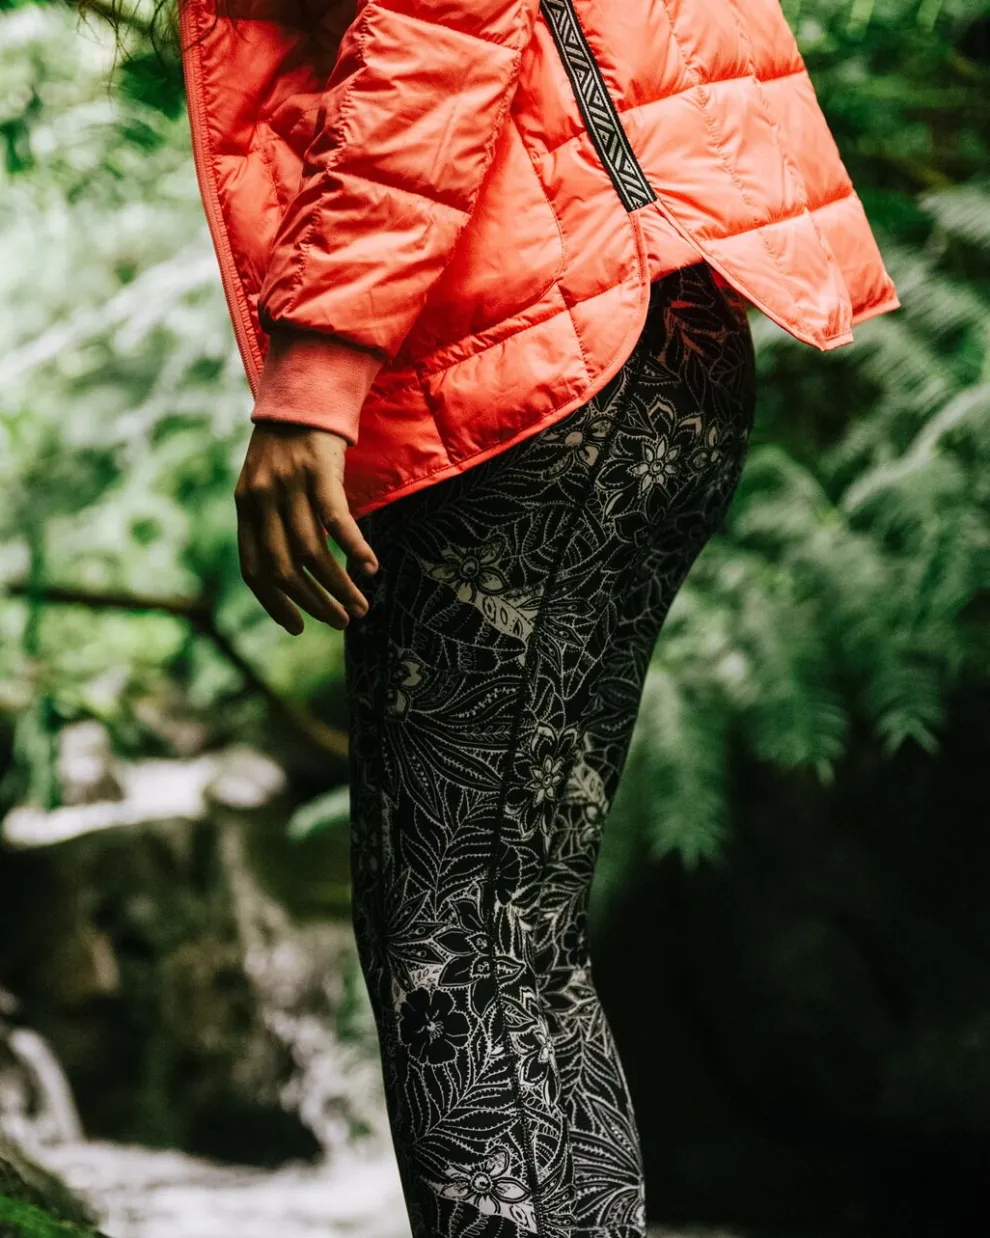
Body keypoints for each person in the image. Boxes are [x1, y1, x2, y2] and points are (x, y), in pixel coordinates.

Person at [82, 0, 900, 1232]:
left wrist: (315, 372)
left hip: (545, 349)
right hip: (641, 322)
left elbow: (441, 20)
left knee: (456, 946)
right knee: (506, 936)